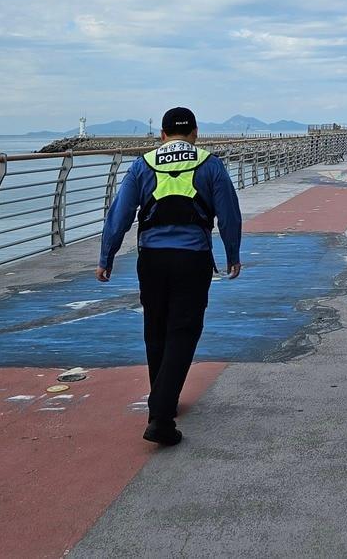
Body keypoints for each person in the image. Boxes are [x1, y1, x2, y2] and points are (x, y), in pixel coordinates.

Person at [97, 106, 242, 446]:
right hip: (192, 258)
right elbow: (229, 215)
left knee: (156, 330)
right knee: (184, 330)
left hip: (152, 259)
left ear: (161, 135)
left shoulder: (142, 164)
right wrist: (232, 254)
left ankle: (163, 400)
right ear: (195, 133)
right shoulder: (210, 164)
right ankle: (160, 414)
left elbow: (119, 215)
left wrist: (107, 256)